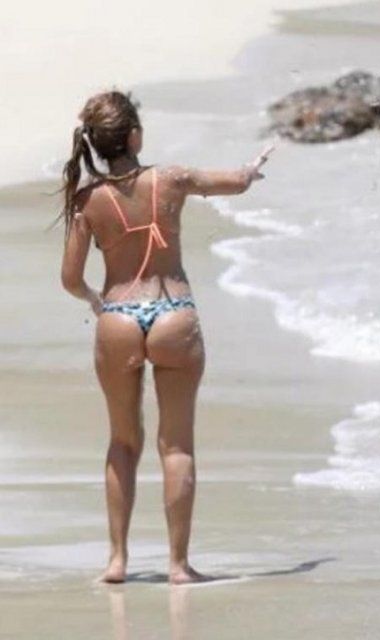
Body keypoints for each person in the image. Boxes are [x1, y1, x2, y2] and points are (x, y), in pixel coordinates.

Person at [58, 91, 272, 584]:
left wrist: (96, 299)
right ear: (134, 136)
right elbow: (235, 182)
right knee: (176, 447)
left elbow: (70, 279)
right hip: (174, 311)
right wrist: (253, 167)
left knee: (122, 442)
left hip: (118, 316)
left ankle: (117, 561)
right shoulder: (170, 179)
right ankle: (178, 565)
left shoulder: (87, 200)